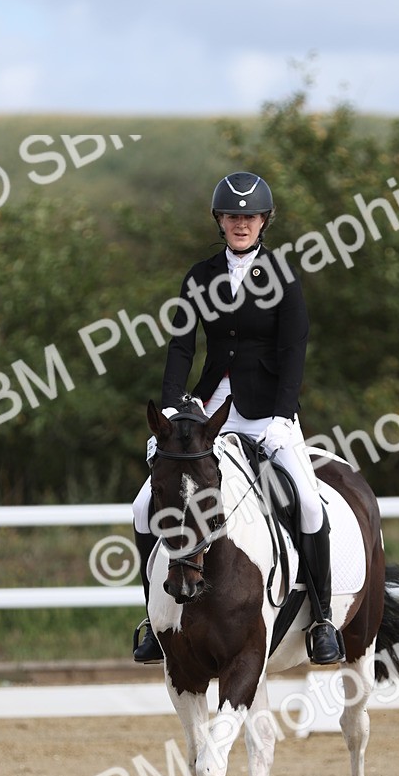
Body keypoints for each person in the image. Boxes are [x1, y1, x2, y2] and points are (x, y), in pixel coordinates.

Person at [132, 171, 343, 666]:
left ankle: (323, 619)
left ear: (264, 220)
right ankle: (154, 618)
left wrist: (282, 414)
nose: (241, 223)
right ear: (219, 221)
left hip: (268, 411)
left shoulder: (282, 276)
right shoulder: (199, 276)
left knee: (308, 504)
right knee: (144, 507)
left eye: (250, 216)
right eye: (232, 216)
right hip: (209, 412)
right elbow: (181, 346)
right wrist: (171, 408)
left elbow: (293, 350)